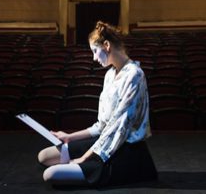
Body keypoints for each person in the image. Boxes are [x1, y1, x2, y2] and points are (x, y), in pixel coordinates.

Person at [37, 21, 157, 187]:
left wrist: (84, 158)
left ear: (106, 45)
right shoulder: (109, 75)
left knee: (50, 174)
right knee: (44, 156)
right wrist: (69, 137)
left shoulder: (134, 75)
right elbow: (102, 126)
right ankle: (77, 162)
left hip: (127, 149)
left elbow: (118, 128)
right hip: (105, 140)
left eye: (95, 51)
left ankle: (84, 165)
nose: (94, 58)